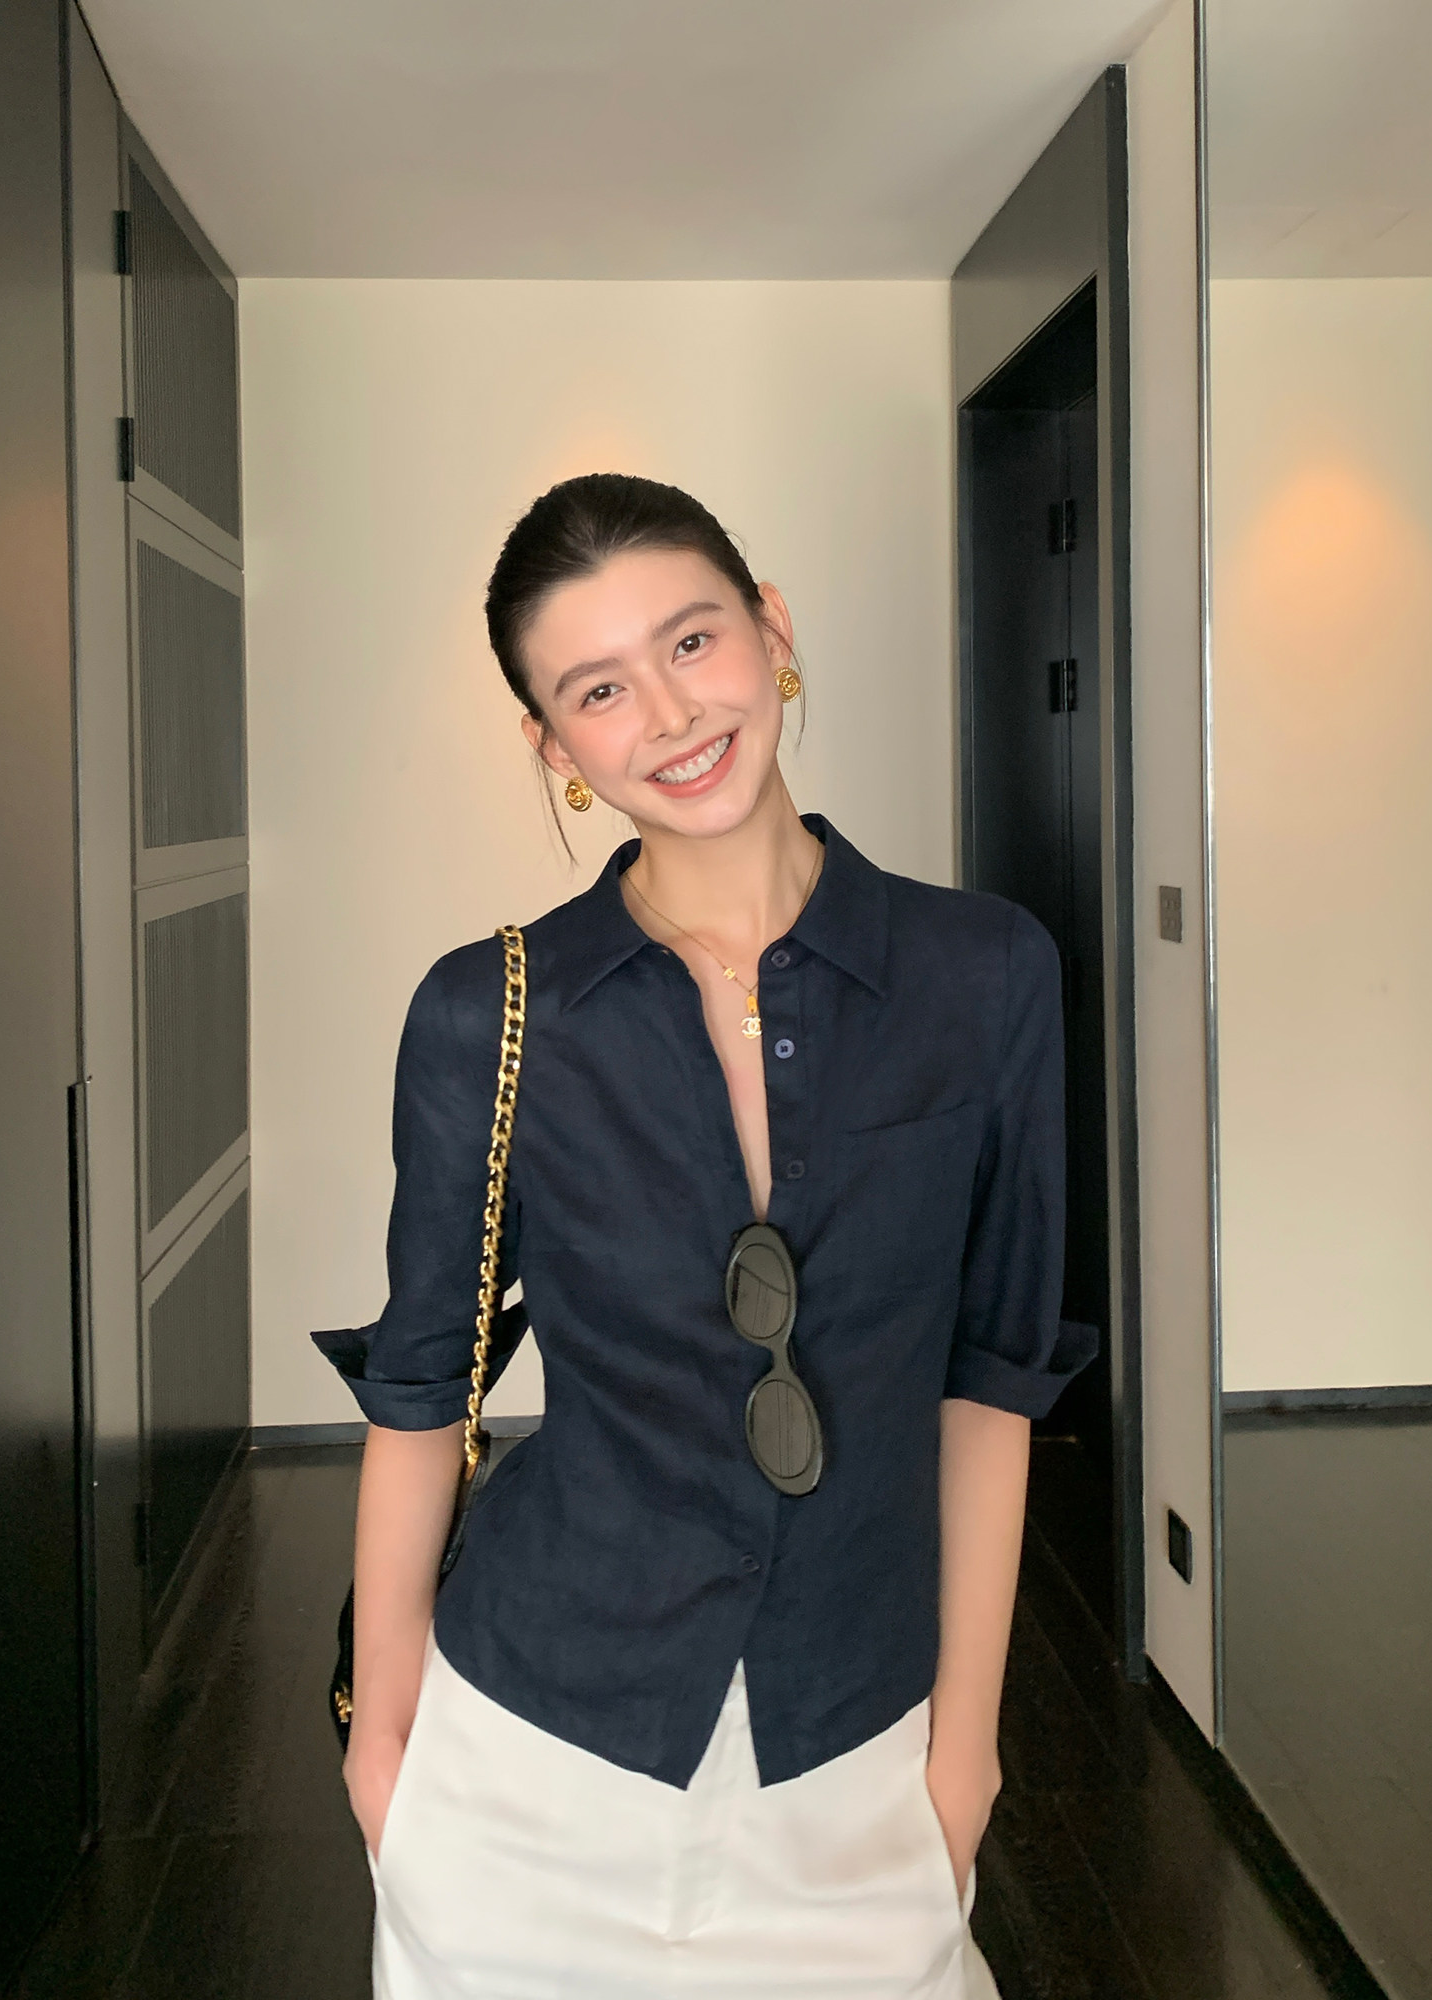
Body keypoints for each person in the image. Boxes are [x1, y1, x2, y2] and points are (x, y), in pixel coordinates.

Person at [313, 473, 1093, 1998]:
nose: (670, 713)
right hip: (527, 1760)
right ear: (555, 748)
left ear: (771, 629)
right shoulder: (488, 1013)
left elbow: (991, 1384)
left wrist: (966, 1756)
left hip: (857, 1759)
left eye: (692, 640)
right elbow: (421, 1390)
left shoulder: (987, 974)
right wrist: (385, 1755)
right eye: (599, 689)